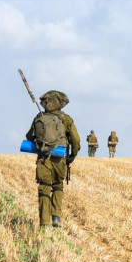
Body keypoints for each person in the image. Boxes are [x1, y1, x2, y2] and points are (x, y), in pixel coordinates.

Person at [24, 90, 80, 228]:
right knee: (57, 185)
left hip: (43, 158)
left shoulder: (39, 117)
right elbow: (76, 140)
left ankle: (44, 223)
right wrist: (72, 156)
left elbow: (29, 137)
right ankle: (56, 218)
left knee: (44, 188)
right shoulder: (65, 119)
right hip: (60, 158)